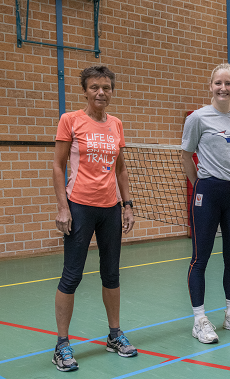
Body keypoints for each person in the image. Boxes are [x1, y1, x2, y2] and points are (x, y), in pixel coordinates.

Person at [52, 66, 137, 372]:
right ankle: (62, 345)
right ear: (85, 90)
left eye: (106, 87)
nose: (101, 92)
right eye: (94, 87)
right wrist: (63, 208)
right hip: (80, 208)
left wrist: (127, 205)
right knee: (71, 276)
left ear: (112, 90)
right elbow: (57, 166)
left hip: (110, 209)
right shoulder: (70, 121)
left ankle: (115, 335)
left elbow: (121, 169)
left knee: (111, 275)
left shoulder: (116, 124)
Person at [181, 63, 230, 344]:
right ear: (210, 86)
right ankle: (199, 319)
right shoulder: (198, 118)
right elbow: (187, 157)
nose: (223, 88)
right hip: (207, 192)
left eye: (229, 83)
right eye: (218, 83)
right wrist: (200, 184)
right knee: (201, 258)